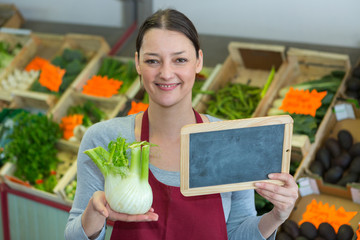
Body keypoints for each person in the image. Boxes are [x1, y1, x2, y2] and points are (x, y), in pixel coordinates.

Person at [64, 8, 298, 240]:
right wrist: (94, 213)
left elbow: (237, 234)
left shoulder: (230, 140)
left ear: (198, 62)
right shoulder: (105, 140)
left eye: (180, 60)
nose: (166, 73)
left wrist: (277, 215)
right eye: (152, 60)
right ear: (137, 63)